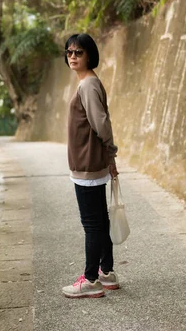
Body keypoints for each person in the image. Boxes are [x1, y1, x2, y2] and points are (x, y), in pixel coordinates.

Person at [61, 33, 120, 299]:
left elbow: (101, 124)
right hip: (90, 163)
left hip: (87, 166)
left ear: (89, 55)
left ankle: (91, 279)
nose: (73, 56)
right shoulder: (88, 82)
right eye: (69, 52)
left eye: (79, 52)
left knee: (92, 224)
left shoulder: (87, 86)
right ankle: (106, 272)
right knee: (100, 220)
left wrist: (111, 152)